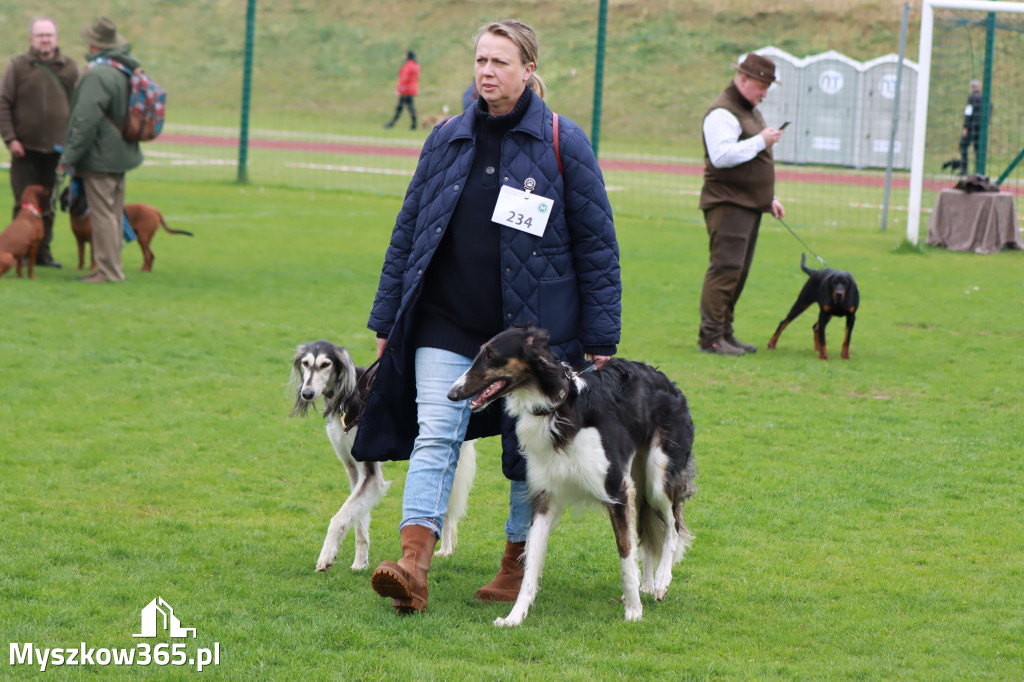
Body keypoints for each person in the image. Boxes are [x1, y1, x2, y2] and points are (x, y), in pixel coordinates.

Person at [353, 19, 621, 614]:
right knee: (436, 434)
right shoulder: (447, 136)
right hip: (444, 321)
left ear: (529, 70)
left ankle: (515, 565)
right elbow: (408, 233)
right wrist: (387, 318)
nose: (487, 72)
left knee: (528, 450)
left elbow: (597, 243)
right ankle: (413, 563)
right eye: (480, 60)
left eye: (501, 62)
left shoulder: (561, 140)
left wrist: (601, 336)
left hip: (527, 335)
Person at [698, 53, 785, 356]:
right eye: (762, 86)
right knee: (725, 269)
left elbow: (751, 161)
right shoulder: (722, 112)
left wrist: (768, 198)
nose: (764, 93)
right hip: (728, 204)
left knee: (739, 271)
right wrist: (762, 140)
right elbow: (722, 156)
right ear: (743, 78)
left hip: (747, 204)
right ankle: (711, 337)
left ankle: (725, 333)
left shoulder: (747, 108)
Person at [59, 16, 143, 283]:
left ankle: (109, 272)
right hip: (121, 153)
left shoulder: (97, 74)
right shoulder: (123, 69)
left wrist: (68, 157)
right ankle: (111, 267)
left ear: (94, 44)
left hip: (100, 157)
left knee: (103, 215)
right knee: (114, 213)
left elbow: (85, 121)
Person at [0, 16, 79, 268]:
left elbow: (79, 108)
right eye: (40, 35)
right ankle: (17, 253)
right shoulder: (18, 67)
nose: (45, 40)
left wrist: (72, 144)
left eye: (49, 35)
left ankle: (42, 253)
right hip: (24, 149)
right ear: (30, 39)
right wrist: (10, 138)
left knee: (49, 204)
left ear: (56, 38)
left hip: (57, 150)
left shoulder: (69, 68)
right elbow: (3, 103)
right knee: (22, 204)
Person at [384, 50, 419, 130]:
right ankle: (413, 124)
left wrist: (399, 89)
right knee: (411, 108)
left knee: (400, 108)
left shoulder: (408, 65)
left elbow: (404, 78)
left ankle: (391, 124)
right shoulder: (415, 65)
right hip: (412, 89)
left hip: (405, 90)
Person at [959, 79, 984, 176]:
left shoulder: (971, 98)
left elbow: (968, 113)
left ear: (972, 88)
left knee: (963, 146)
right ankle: (979, 172)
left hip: (971, 127)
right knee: (978, 150)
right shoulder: (984, 98)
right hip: (981, 128)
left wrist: (965, 127)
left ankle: (964, 170)